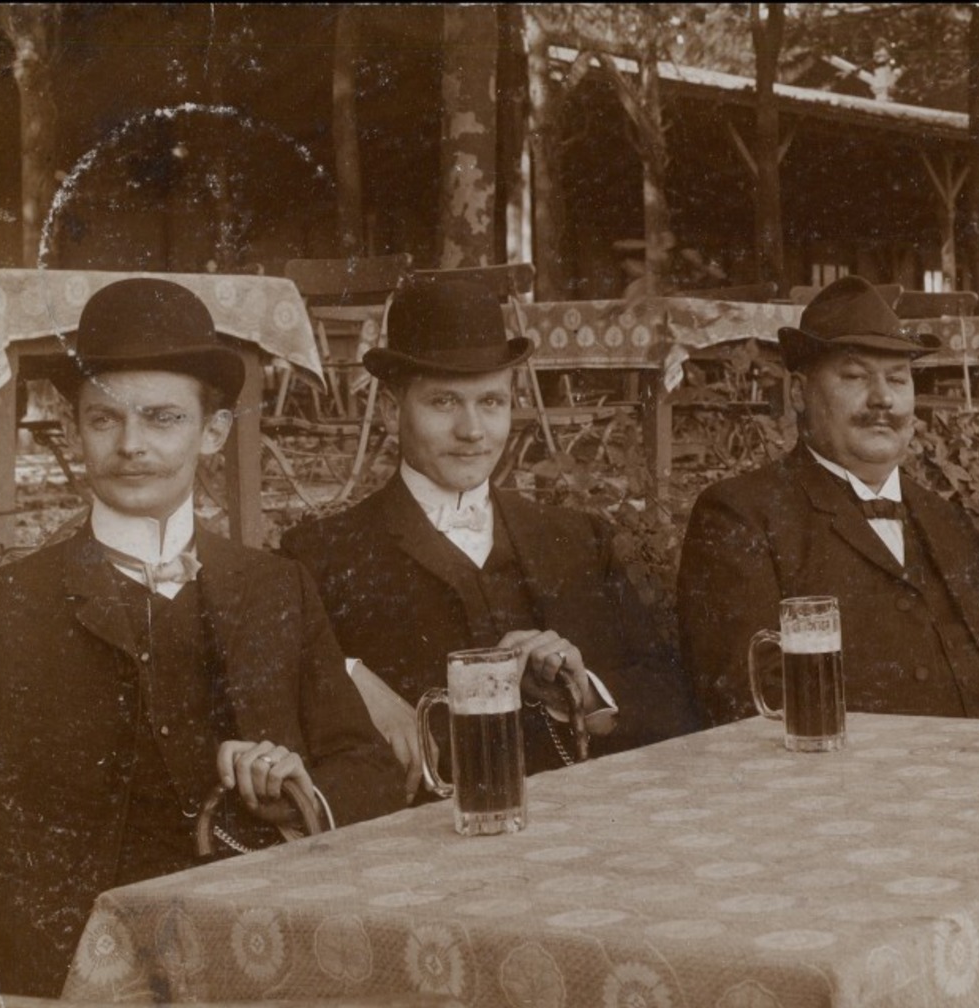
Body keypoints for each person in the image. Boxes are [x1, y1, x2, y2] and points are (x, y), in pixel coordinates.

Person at [0, 279, 404, 996]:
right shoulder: (1, 607)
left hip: (266, 954)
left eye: (162, 419)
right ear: (71, 429)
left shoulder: (273, 587)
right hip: (84, 976)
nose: (133, 446)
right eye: (104, 420)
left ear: (212, 431)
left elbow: (368, 767)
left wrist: (295, 793)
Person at [282, 275, 698, 780]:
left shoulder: (582, 539)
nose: (473, 431)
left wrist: (584, 689)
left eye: (491, 402)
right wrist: (347, 674)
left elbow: (676, 696)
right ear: (392, 412)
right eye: (444, 402)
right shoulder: (321, 556)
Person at [676, 275, 979, 725]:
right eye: (856, 377)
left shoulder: (946, 520)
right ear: (799, 394)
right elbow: (748, 708)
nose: (883, 399)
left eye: (898, 379)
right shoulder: (740, 517)